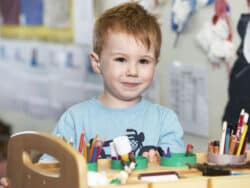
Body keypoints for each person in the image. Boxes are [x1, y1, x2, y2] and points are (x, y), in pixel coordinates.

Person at [0, 2, 184, 187]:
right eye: (121, 59)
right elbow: (48, 173)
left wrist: (156, 159)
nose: (133, 71)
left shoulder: (165, 121)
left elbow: (181, 174)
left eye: (144, 61)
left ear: (155, 63)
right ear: (97, 63)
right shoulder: (74, 119)